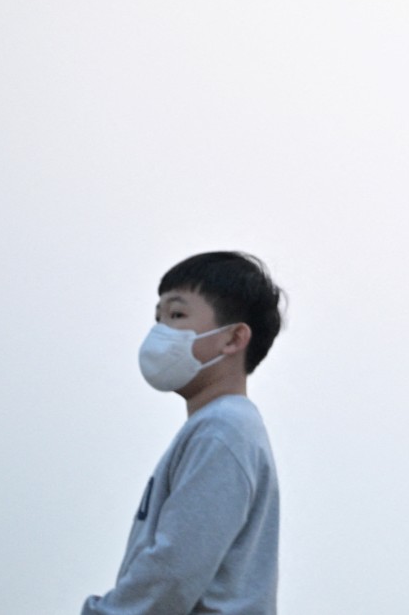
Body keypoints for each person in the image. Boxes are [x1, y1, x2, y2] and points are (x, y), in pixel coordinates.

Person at [83, 251, 285, 615]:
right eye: (157, 318)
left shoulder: (222, 430)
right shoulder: (220, 427)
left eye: (177, 315)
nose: (160, 331)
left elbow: (174, 570)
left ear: (233, 338)